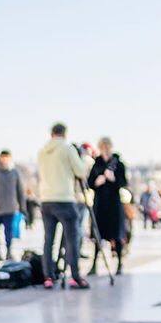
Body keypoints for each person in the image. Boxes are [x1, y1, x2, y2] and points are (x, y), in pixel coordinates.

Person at [36, 122, 92, 290]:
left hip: (46, 199)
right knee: (72, 239)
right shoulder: (67, 148)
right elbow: (80, 171)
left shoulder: (42, 151)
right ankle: (75, 276)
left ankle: (48, 276)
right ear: (65, 134)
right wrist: (87, 161)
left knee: (49, 240)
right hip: (65, 199)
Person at [87, 137, 129, 275]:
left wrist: (113, 179)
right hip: (100, 204)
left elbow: (123, 182)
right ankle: (94, 264)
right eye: (102, 147)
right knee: (98, 235)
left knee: (116, 235)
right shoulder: (96, 164)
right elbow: (90, 182)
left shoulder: (118, 164)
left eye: (107, 147)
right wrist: (97, 182)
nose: (105, 150)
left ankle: (119, 264)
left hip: (114, 204)